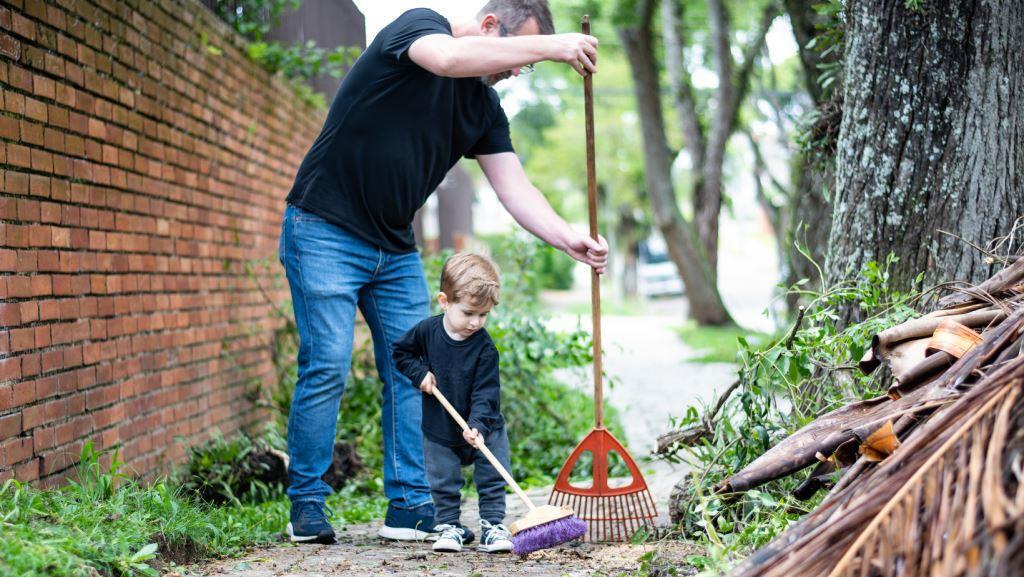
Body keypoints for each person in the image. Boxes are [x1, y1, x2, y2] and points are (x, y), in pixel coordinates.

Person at [278, 0, 606, 545]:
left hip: (394, 248)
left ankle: (408, 504)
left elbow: (514, 187)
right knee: (327, 366)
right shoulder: (419, 28)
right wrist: (555, 46)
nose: (518, 68)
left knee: (418, 372)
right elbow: (450, 59)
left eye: (528, 63)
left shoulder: (484, 108)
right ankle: (307, 505)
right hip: (323, 228)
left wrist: (567, 236)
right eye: (517, 53)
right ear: (488, 27)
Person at [393, 252, 512, 554]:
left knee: (492, 475)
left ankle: (493, 527)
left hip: (485, 427)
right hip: (440, 427)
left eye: (483, 315)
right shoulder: (426, 332)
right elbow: (401, 353)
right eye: (469, 312)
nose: (475, 322)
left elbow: (486, 393)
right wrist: (419, 373)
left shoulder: (485, 349)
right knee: (443, 480)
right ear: (444, 301)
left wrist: (478, 425)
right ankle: (448, 526)